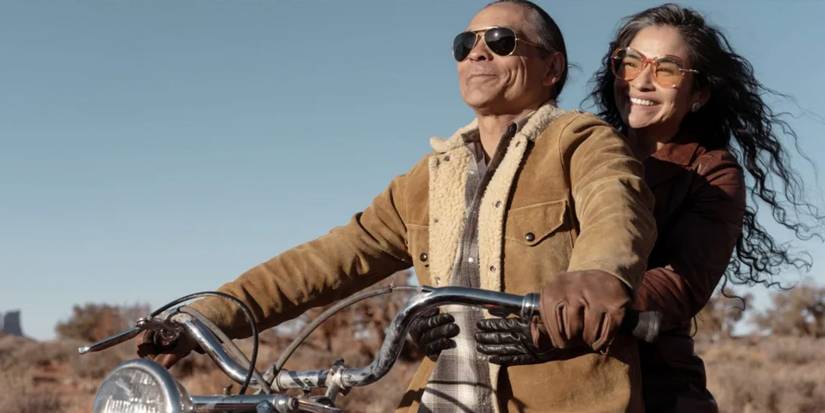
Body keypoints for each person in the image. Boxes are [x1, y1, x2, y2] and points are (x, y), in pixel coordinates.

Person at [139, 1, 657, 412]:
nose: (477, 54)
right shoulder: (430, 177)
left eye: (501, 41)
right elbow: (329, 259)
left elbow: (615, 206)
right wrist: (203, 316)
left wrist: (593, 278)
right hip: (440, 400)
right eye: (465, 45)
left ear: (552, 67)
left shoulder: (580, 141)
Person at [476, 3, 822, 412]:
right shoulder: (576, 148)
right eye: (630, 63)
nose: (640, 82)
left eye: (667, 70)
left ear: (698, 94)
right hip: (553, 382)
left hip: (655, 383)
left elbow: (680, 285)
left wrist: (563, 322)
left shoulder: (712, 172)